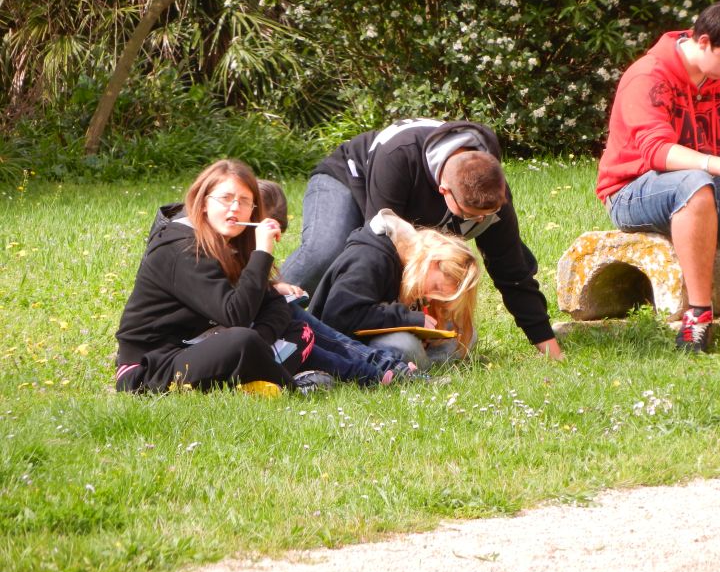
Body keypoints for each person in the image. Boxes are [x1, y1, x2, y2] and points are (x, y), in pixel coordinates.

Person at [596, 0, 720, 352]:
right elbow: (657, 151)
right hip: (631, 191)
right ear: (703, 41)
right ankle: (698, 319)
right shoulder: (649, 75)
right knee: (696, 182)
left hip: (700, 189)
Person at [280, 118, 563, 360]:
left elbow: (511, 269)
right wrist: (406, 318)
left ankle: (365, 349)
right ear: (444, 191)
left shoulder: (487, 187)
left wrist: (549, 346)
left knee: (458, 338)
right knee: (326, 252)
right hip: (347, 178)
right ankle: (258, 314)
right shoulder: (399, 157)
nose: (480, 223)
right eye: (470, 216)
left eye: (486, 216)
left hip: (405, 211)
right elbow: (381, 245)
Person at [114, 159, 383, 395]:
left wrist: (261, 340)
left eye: (244, 201)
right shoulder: (181, 249)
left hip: (201, 346)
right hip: (151, 367)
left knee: (296, 329)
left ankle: (259, 370)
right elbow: (236, 317)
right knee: (242, 340)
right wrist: (263, 251)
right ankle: (292, 387)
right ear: (204, 202)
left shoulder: (227, 243)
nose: (234, 208)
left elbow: (272, 302)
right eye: (225, 198)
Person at [256, 179, 419, 381]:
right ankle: (380, 372)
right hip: (258, 342)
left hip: (277, 327)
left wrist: (273, 287)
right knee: (320, 346)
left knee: (310, 326)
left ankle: (390, 366)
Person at [309, 209, 480, 370]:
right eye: (435, 287)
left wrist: (422, 329)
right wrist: (408, 320)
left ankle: (416, 362)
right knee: (406, 347)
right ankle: (414, 365)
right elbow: (339, 317)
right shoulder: (369, 259)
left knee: (465, 334)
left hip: (384, 331)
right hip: (344, 343)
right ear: (432, 262)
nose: (429, 295)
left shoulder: (413, 262)